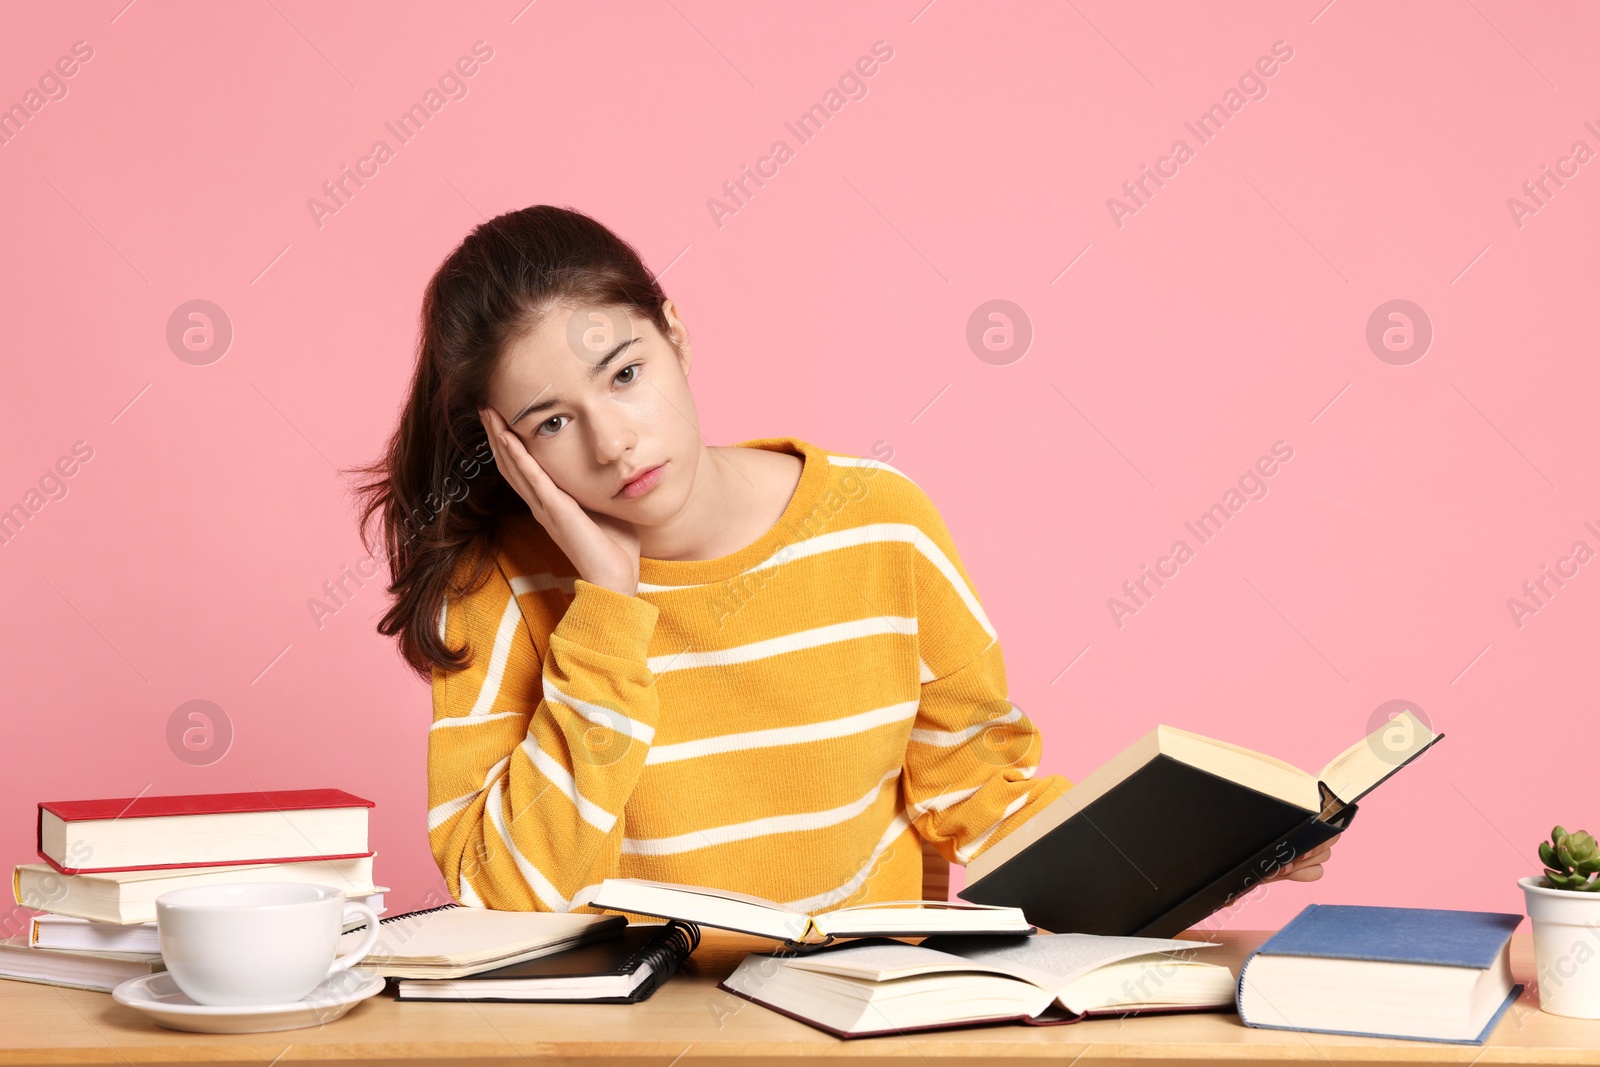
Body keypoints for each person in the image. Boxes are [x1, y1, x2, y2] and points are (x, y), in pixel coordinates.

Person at [355, 204, 1338, 914]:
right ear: (508, 448)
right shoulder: (501, 590)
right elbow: (505, 897)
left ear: (676, 336)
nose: (613, 442)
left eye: (625, 373)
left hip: (860, 1018)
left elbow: (980, 802)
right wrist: (607, 614)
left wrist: (1211, 841)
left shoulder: (880, 524)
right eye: (554, 421)